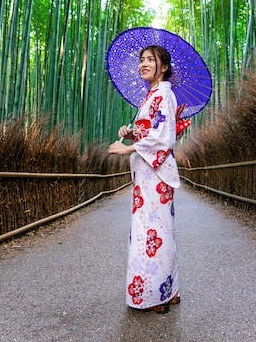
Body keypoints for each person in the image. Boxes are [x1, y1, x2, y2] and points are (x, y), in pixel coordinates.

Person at [108, 45, 181, 314]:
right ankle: (169, 290)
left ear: (164, 67)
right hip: (147, 174)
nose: (144, 64)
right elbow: (147, 132)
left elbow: (164, 137)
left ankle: (152, 297)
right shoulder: (151, 97)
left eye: (151, 60)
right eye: (142, 60)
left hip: (154, 174)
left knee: (150, 233)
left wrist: (128, 148)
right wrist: (130, 134)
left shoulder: (164, 95)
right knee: (160, 232)